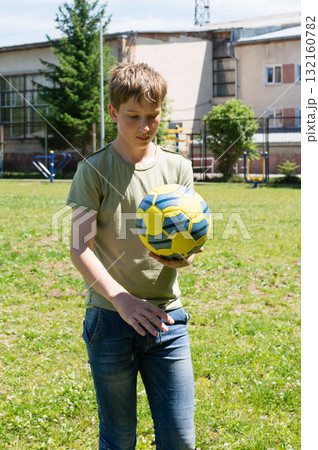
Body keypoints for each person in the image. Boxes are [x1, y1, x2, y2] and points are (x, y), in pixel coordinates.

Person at [67, 62, 198, 450]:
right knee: (119, 440)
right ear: (112, 113)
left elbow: (187, 241)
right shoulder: (93, 170)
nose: (144, 126)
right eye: (133, 116)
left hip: (166, 321)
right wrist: (121, 300)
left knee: (179, 439)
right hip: (110, 322)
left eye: (152, 116)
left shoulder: (179, 167)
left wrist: (183, 258)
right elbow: (78, 248)